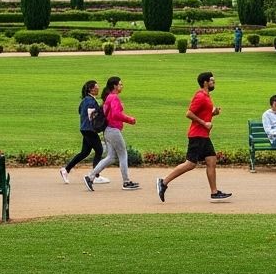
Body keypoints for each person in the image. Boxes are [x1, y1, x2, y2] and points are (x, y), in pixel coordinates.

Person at [156, 71, 231, 202]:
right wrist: (204, 123)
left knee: (211, 160)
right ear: (205, 82)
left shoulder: (207, 96)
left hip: (204, 135)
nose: (214, 82)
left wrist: (213, 114)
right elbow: (189, 113)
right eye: (212, 80)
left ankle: (214, 192)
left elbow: (202, 114)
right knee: (190, 164)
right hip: (197, 135)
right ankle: (163, 182)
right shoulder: (200, 95)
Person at [86, 77, 140, 190]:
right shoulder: (114, 97)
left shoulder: (109, 97)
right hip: (113, 130)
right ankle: (126, 182)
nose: (122, 86)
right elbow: (116, 114)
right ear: (114, 86)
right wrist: (129, 119)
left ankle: (90, 177)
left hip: (108, 130)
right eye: (120, 84)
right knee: (123, 154)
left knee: (111, 157)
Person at [61, 80, 107, 183]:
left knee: (85, 152)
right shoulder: (91, 101)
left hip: (84, 128)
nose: (98, 89)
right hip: (90, 129)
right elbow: (91, 115)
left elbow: (80, 111)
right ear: (91, 89)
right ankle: (95, 176)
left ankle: (66, 170)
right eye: (96, 87)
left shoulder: (85, 100)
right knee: (99, 150)